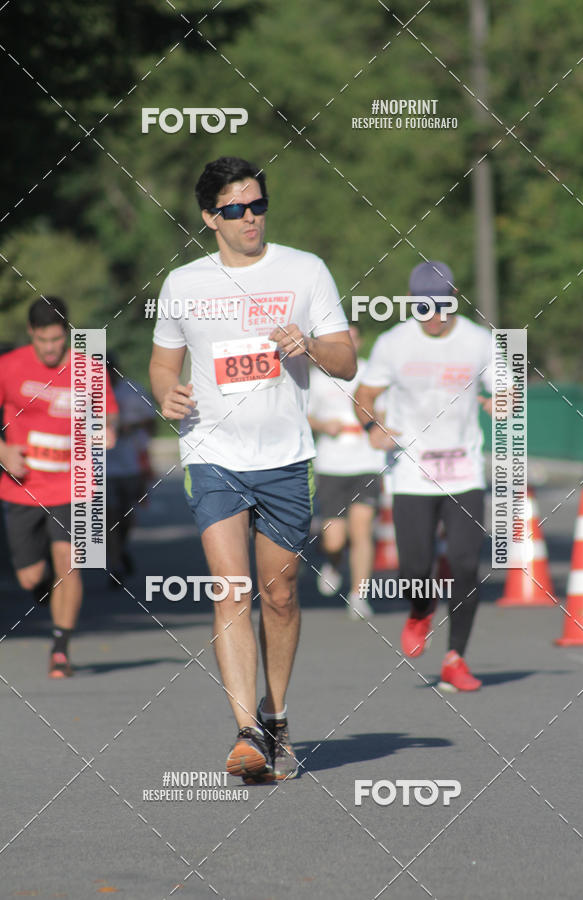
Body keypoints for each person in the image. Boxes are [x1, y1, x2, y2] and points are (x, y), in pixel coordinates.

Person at [149, 156, 356, 780]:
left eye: (258, 205)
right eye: (236, 210)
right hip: (213, 454)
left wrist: (311, 346)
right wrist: (167, 394)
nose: (250, 219)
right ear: (210, 217)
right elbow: (163, 365)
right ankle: (245, 733)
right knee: (231, 589)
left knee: (281, 594)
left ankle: (276, 718)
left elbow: (346, 361)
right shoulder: (185, 283)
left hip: (287, 457)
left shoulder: (304, 270)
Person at [355, 261, 493, 692]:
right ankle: (419, 611)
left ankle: (456, 657)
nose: (435, 316)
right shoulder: (393, 344)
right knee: (415, 568)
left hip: (464, 471)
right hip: (411, 472)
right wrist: (370, 425)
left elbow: (508, 386)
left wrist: (502, 400)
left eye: (443, 306)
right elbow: (365, 395)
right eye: (425, 308)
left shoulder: (480, 340)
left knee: (467, 563)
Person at [0, 298, 117, 678]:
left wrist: (108, 430)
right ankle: (48, 591)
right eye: (42, 340)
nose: (50, 348)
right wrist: (3, 451)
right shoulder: (9, 366)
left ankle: (61, 647)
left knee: (70, 563)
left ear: (66, 334)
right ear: (31, 334)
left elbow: (108, 413)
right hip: (23, 486)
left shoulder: (89, 369)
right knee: (31, 577)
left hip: (74, 483)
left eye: (56, 339)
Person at [308, 325, 384, 620]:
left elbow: (386, 410)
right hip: (331, 463)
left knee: (362, 528)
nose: (348, 342)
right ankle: (333, 562)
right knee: (334, 538)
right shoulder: (316, 378)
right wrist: (323, 425)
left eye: (353, 337)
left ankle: (359, 595)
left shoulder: (370, 374)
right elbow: (304, 414)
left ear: (359, 342)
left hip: (367, 462)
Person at [106, 356, 156, 586]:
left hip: (131, 464)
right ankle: (115, 563)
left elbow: (152, 423)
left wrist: (128, 427)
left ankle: (120, 548)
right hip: (101, 467)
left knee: (126, 516)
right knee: (109, 514)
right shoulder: (85, 392)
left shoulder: (132, 390)